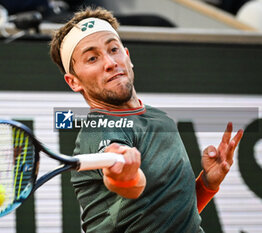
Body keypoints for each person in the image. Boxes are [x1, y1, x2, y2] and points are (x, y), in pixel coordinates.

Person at [49, 7, 244, 232]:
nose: (110, 62)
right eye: (92, 58)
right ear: (74, 82)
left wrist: (208, 183)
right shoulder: (100, 129)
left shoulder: (160, 119)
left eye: (113, 49)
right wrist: (126, 176)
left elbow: (170, 219)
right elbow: (125, 182)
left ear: (128, 57)